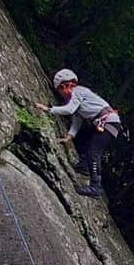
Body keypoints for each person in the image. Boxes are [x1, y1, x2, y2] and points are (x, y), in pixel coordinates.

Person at [35, 69, 121, 198]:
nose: (62, 95)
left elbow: (69, 110)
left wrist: (48, 109)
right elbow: (77, 120)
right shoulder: (78, 100)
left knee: (94, 153)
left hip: (108, 122)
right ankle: (84, 167)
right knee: (91, 147)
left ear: (65, 86)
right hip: (108, 122)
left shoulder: (78, 91)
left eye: (60, 91)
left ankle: (95, 187)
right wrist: (69, 137)